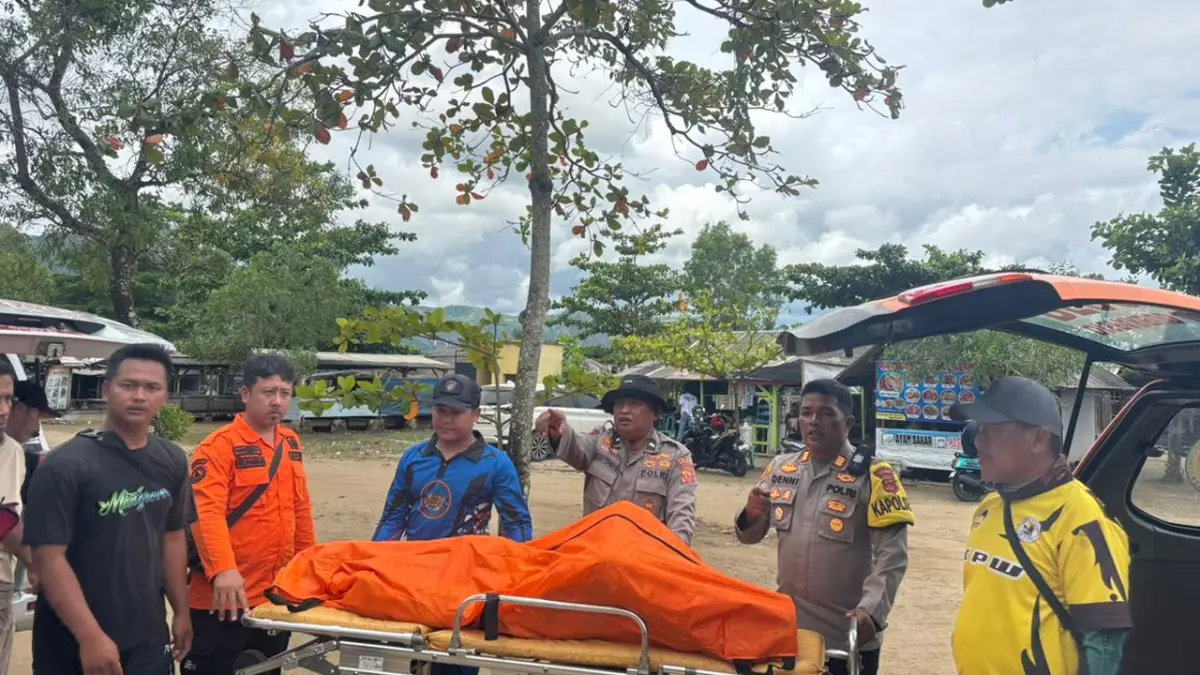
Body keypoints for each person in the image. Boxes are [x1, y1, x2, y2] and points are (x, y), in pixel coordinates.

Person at [23, 343, 194, 675]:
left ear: (165, 397)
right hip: (71, 640)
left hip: (146, 636)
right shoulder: (64, 466)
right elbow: (48, 558)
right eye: (128, 385)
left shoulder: (171, 460)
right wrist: (90, 637)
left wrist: (182, 611)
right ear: (106, 389)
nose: (139, 396)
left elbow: (172, 538)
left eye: (152, 387)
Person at [949, 377, 1131, 675]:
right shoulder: (988, 508)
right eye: (980, 430)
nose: (978, 442)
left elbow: (1104, 641)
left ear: (1038, 439)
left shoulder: (1082, 518)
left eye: (992, 431)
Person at [734, 379, 913, 675]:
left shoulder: (875, 477)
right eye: (806, 413)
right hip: (791, 632)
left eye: (827, 413)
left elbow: (892, 556)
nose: (813, 421)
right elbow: (750, 536)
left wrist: (871, 612)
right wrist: (750, 517)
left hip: (847, 637)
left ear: (848, 422)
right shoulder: (781, 468)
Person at [183, 354, 316, 675]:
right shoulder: (218, 447)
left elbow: (300, 509)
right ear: (245, 394)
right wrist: (223, 571)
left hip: (274, 596)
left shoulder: (290, 442)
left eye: (285, 393)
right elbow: (206, 513)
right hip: (225, 597)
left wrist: (308, 568)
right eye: (268, 392)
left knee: (264, 669)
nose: (278, 402)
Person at [536, 374, 698, 544]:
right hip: (594, 552)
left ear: (655, 413)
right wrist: (558, 432)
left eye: (635, 404)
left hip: (642, 559)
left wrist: (673, 557)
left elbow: (682, 517)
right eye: (619, 404)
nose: (624, 410)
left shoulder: (675, 457)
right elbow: (576, 445)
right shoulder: (600, 442)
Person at [373, 373, 533, 543]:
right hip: (417, 561)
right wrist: (373, 560)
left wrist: (519, 563)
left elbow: (517, 524)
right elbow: (392, 519)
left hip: (467, 564)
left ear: (476, 414)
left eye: (456, 412)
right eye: (440, 411)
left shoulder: (495, 464)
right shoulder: (414, 458)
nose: (446, 419)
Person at [0, 363, 34, 675]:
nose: (3, 409)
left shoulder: (10, 449)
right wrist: (39, 565)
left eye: (8, 399)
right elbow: (4, 522)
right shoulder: (9, 450)